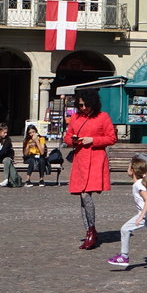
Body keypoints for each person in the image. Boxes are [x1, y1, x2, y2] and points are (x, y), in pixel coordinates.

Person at [64, 87, 117, 250]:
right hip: (80, 160)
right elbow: (67, 136)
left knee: (86, 195)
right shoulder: (75, 117)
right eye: (80, 105)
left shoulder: (103, 117)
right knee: (82, 196)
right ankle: (89, 231)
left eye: (86, 105)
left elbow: (111, 138)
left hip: (95, 160)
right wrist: (73, 141)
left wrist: (92, 140)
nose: (83, 108)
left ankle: (92, 230)